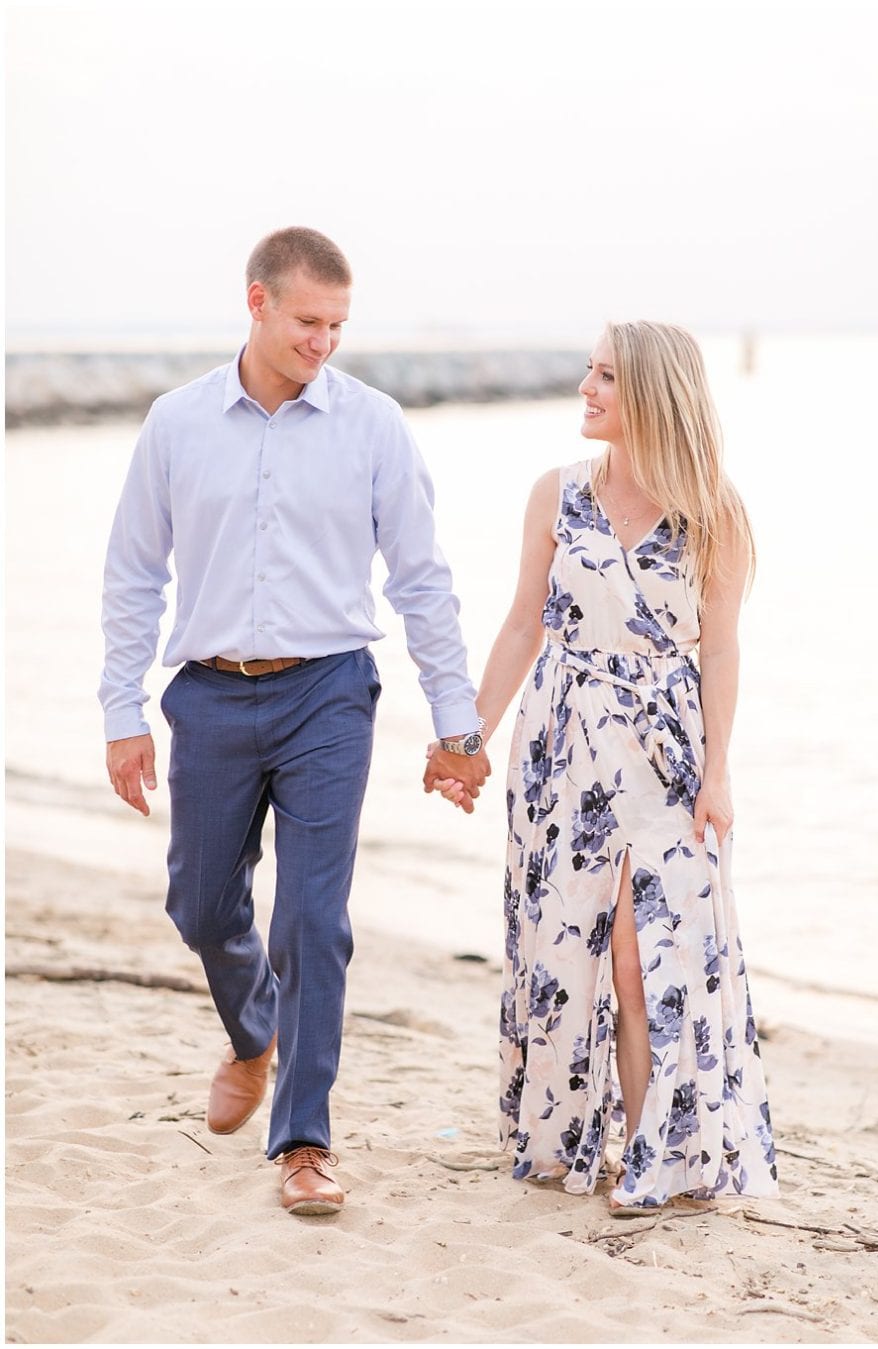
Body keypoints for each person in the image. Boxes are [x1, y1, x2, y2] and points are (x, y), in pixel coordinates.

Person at [99, 226, 491, 1217]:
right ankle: (251, 1035)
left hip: (329, 693)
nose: (325, 340)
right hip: (210, 693)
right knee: (198, 902)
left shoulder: (373, 426)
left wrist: (458, 723)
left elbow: (423, 581)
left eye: (339, 324)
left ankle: (304, 1141)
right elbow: (133, 573)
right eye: (309, 320)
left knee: (313, 919)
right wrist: (122, 709)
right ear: (257, 302)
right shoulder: (178, 423)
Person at [432, 320, 777, 1210]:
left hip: (665, 750)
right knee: (565, 949)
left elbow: (723, 652)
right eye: (588, 372)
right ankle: (584, 1137)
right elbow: (522, 624)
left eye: (607, 376)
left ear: (654, 394)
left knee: (644, 950)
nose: (586, 388)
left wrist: (721, 772)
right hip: (561, 745)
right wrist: (467, 737)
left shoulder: (716, 514)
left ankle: (651, 1150)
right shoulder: (557, 493)